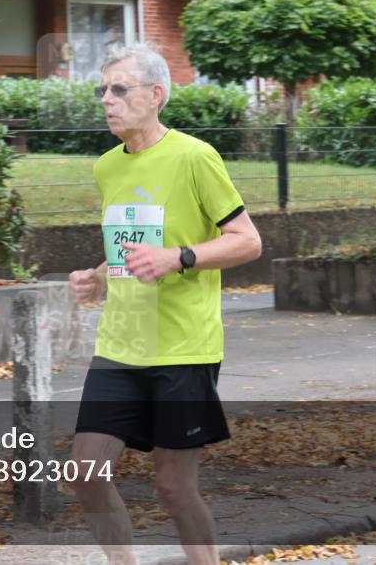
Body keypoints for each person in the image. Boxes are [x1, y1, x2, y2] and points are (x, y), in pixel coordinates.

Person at [68, 42, 263, 565]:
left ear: (155, 96)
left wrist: (180, 257)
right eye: (102, 90)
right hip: (120, 346)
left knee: (173, 487)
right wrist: (98, 278)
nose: (107, 100)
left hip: (183, 348)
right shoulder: (107, 167)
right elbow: (130, 250)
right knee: (85, 472)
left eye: (119, 89)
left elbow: (247, 240)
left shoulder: (195, 157)